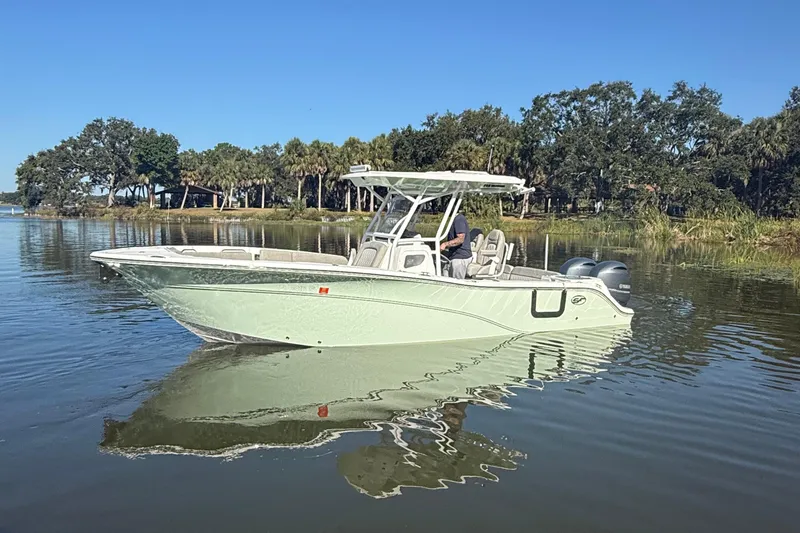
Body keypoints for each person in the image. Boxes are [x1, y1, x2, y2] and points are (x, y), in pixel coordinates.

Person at [440, 212, 472, 278]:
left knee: (457, 283)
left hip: (460, 257)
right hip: (453, 255)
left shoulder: (459, 219)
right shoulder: (453, 219)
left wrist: (445, 244)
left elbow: (460, 239)